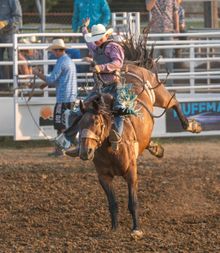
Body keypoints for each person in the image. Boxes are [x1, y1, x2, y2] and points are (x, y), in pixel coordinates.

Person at [57, 18, 135, 156]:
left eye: (99, 38)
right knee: (78, 111)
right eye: (96, 38)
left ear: (106, 36)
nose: (97, 41)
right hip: (100, 87)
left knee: (121, 110)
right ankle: (74, 141)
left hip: (115, 84)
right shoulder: (96, 46)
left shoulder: (113, 47)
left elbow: (118, 63)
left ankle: (117, 137)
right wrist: (83, 28)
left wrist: (100, 67)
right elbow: (88, 40)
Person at [33, 39, 77, 157]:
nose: (53, 53)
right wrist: (46, 83)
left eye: (53, 50)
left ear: (58, 50)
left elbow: (52, 79)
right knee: (66, 123)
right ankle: (66, 147)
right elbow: (59, 78)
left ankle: (60, 150)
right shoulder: (68, 61)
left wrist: (37, 74)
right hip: (71, 96)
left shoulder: (61, 62)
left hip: (64, 97)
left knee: (59, 123)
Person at [145, 0, 179, 78]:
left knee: (169, 57)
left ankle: (170, 84)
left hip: (168, 30)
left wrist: (177, 28)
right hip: (155, 30)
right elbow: (148, 8)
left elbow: (175, 12)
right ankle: (154, 83)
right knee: (154, 58)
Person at [0, 0, 22, 89]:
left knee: (12, 57)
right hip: (1, 33)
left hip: (10, 32)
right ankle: (2, 85)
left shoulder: (12, 0)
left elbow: (18, 18)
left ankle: (15, 84)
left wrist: (5, 22)